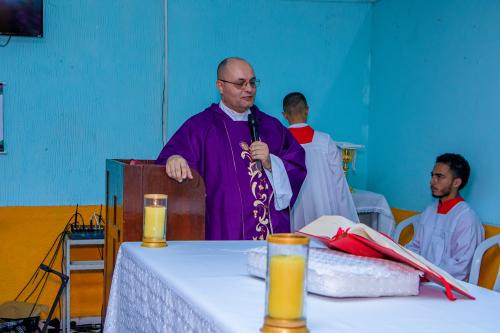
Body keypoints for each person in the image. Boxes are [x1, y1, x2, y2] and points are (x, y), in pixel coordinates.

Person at [156, 57, 306, 240]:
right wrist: (174, 159)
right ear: (220, 86)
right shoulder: (200, 127)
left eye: (252, 82)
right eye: (240, 83)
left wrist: (271, 163)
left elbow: (297, 164)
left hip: (269, 238)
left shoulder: (271, 127)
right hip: (222, 234)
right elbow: (169, 159)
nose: (249, 89)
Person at [282, 92, 359, 231]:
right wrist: (348, 221)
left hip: (293, 212)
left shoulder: (281, 142)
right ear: (307, 110)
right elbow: (339, 183)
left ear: (284, 115)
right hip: (323, 212)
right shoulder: (325, 141)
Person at [406, 153, 484, 281]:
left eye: (440, 177)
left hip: (449, 287)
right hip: (422, 278)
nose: (432, 181)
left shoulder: (466, 218)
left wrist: (428, 275)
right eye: (432, 175)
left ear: (456, 182)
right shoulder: (430, 210)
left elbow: (461, 267)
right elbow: (415, 246)